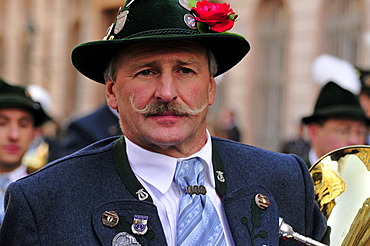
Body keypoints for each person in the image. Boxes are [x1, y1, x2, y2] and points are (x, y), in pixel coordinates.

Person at [0, 0, 327, 245]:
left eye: (185, 70)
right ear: (112, 92)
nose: (167, 93)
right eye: (146, 72)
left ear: (211, 87)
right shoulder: (44, 201)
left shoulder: (283, 178)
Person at [0, 79, 50, 225]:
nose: (14, 135)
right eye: (2, 123)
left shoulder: (45, 191)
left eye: (23, 124)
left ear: (35, 132)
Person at [301, 81, 369, 168]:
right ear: (314, 132)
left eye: (361, 132)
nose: (354, 141)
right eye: (344, 131)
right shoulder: (295, 177)